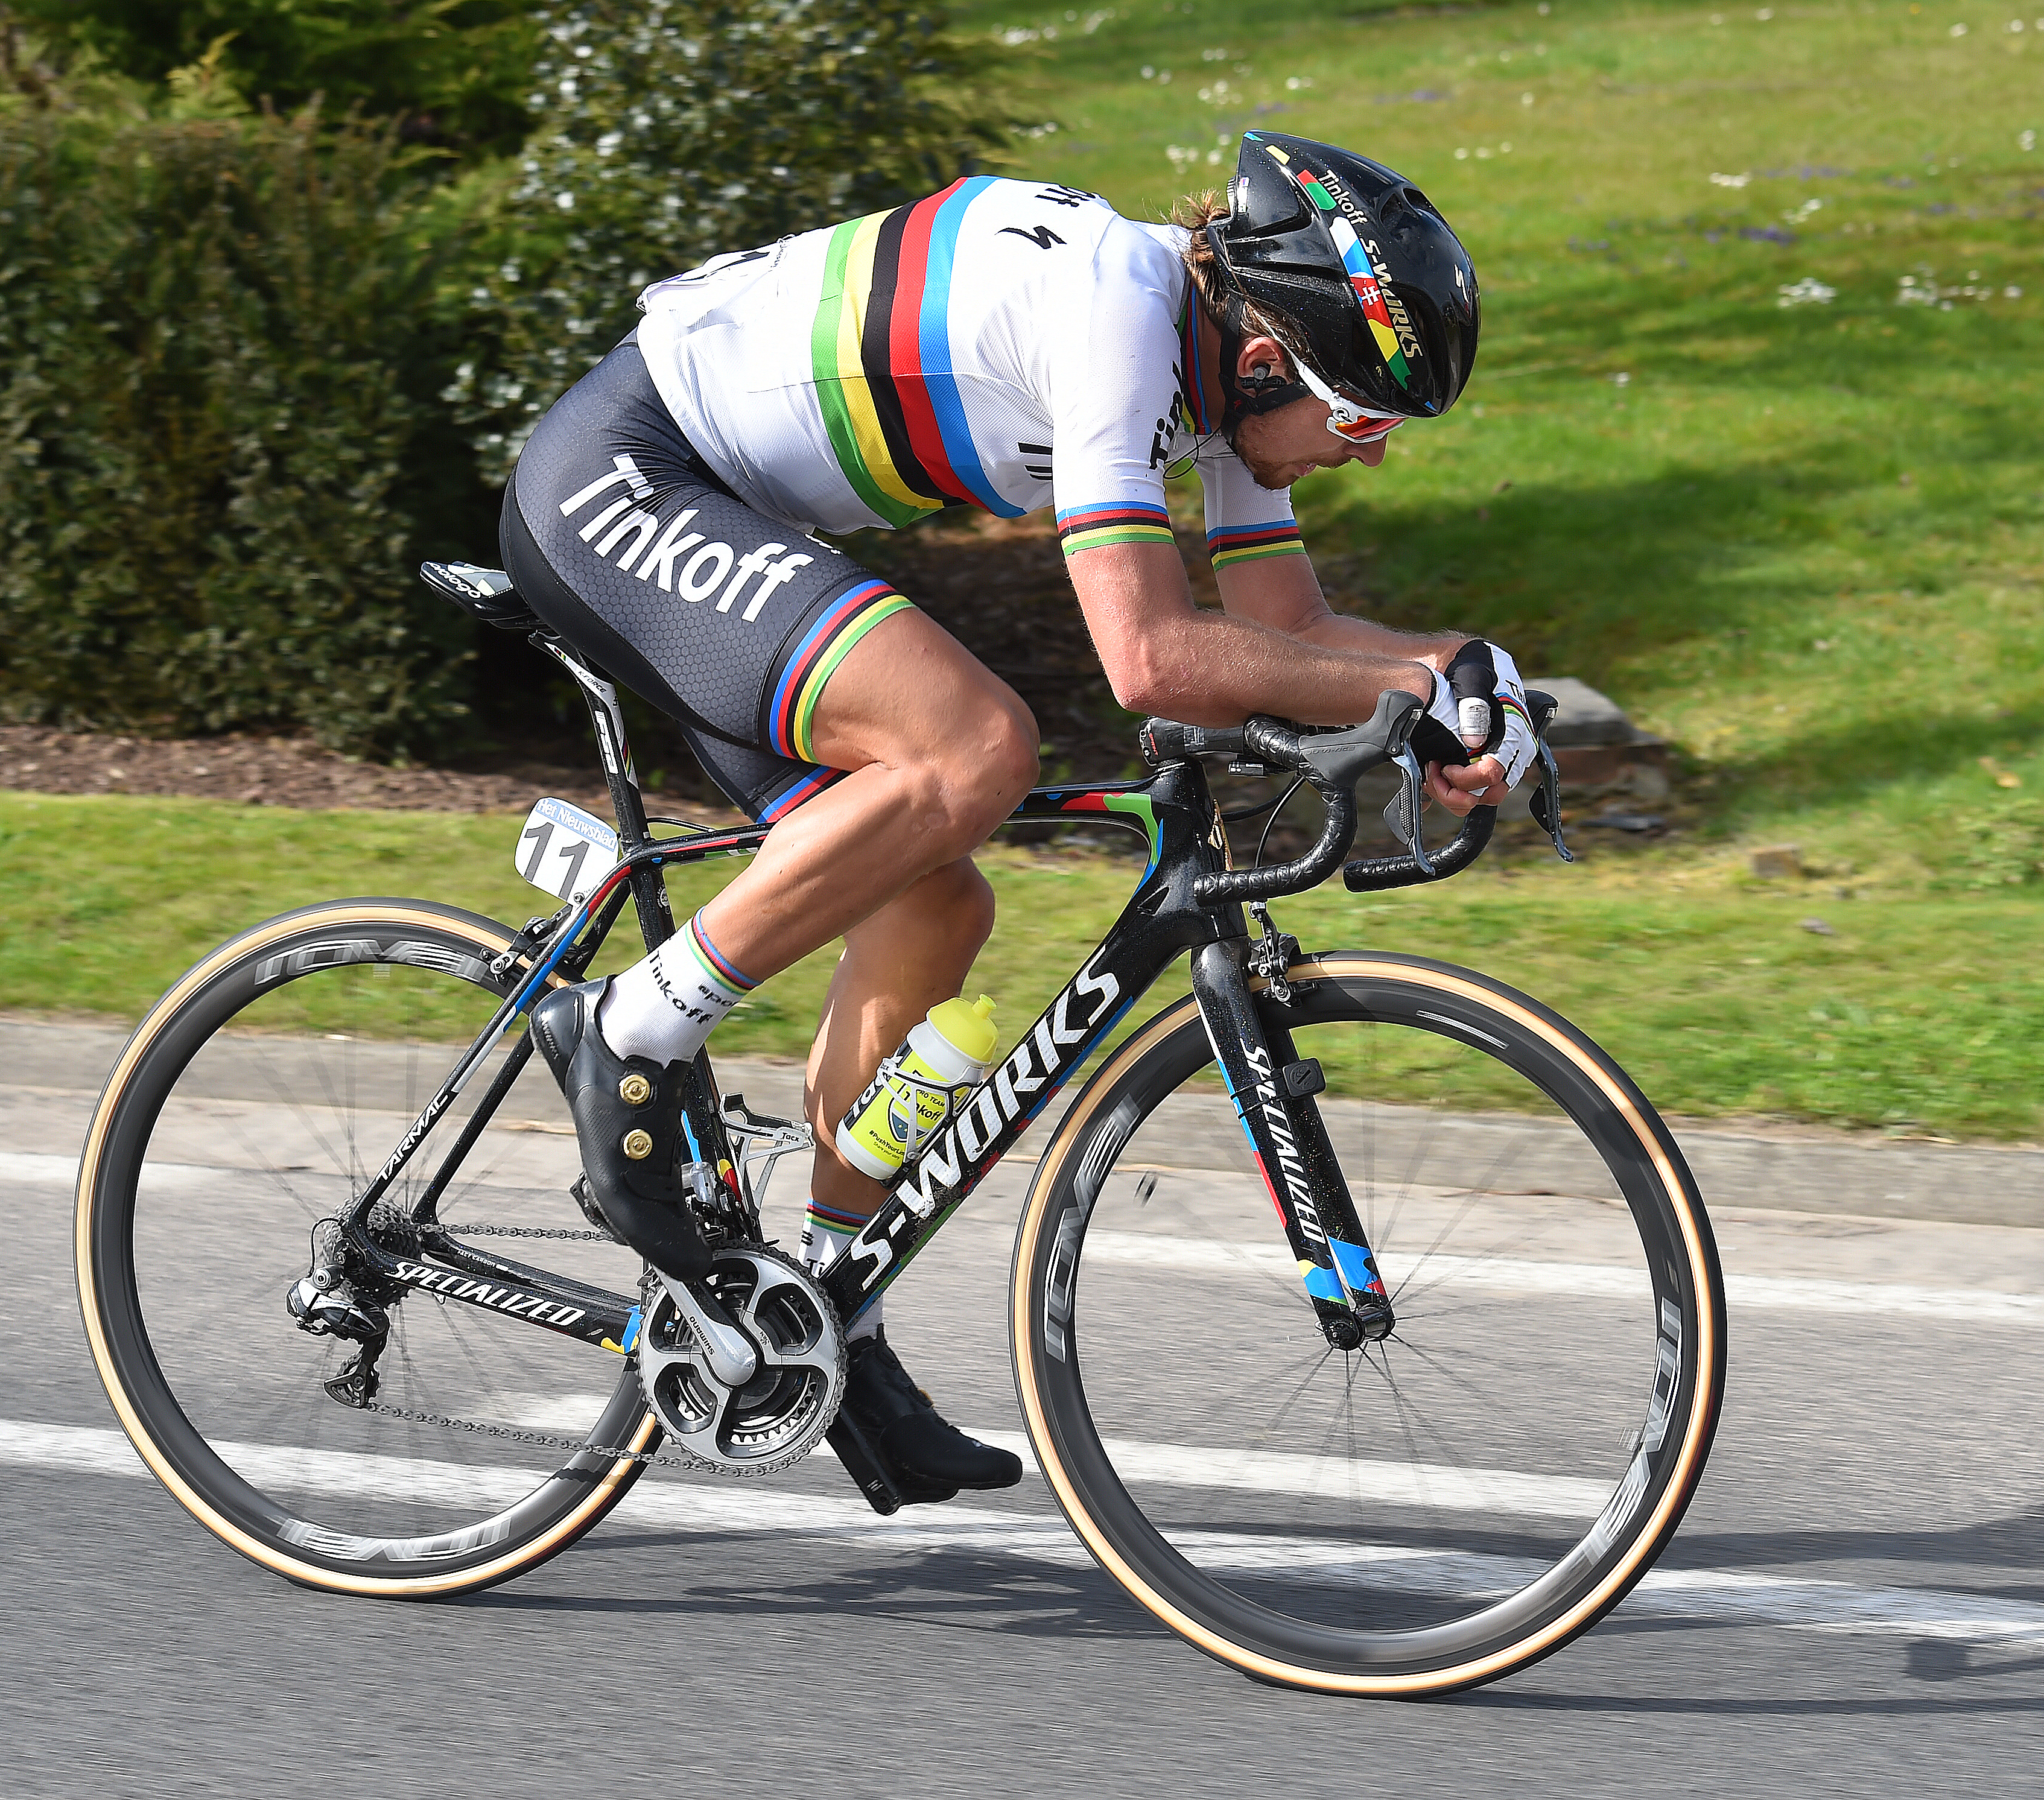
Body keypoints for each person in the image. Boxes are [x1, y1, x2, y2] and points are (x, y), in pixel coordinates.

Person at [506, 132, 1536, 1503]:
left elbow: (1288, 626)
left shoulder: (1218, 370)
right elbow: (1151, 659)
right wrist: (1412, 689)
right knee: (976, 745)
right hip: (625, 480)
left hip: (730, 519)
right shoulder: (1115, 314)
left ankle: (828, 1310)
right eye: (1359, 422)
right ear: (1265, 356)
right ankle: (631, 1026)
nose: (1369, 455)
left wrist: (1463, 672)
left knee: (938, 900)